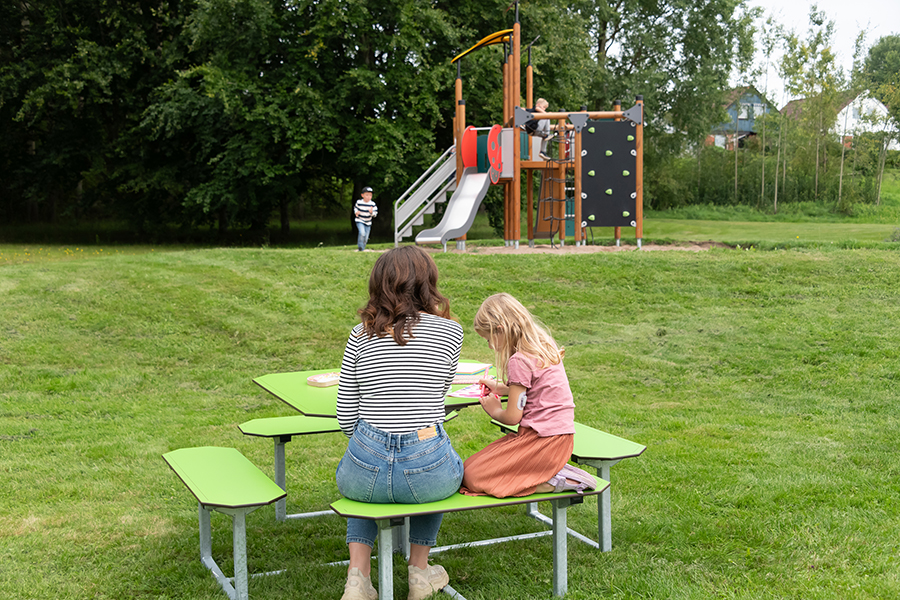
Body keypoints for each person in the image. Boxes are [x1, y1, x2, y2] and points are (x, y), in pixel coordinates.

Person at [335, 245, 464, 600]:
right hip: (427, 469)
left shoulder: (359, 335)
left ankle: (358, 578)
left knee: (362, 485)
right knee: (446, 462)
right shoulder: (450, 333)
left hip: (365, 469)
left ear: (378, 284)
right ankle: (419, 571)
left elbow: (345, 417)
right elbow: (439, 395)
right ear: (428, 283)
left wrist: (371, 441)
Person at [460, 293, 596, 498]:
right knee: (469, 467)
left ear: (501, 330)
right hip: (558, 439)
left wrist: (494, 410)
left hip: (543, 442)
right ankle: (545, 473)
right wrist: (502, 388)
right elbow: (536, 387)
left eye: (488, 339)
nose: (489, 345)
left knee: (473, 477)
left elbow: (512, 417)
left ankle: (557, 481)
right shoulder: (543, 344)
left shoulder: (519, 360)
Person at [353, 186, 378, 251]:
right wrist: (356, 212)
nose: (368, 197)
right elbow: (355, 208)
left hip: (368, 222)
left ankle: (362, 249)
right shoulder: (359, 202)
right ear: (362, 195)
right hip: (360, 220)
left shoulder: (373, 204)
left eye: (370, 195)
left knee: (366, 237)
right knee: (362, 233)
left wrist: (371, 212)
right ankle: (360, 247)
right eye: (367, 195)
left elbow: (375, 214)